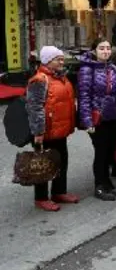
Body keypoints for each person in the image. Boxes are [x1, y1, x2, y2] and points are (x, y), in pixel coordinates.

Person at [26, 46, 78, 211]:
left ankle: (59, 192)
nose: (62, 62)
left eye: (62, 59)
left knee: (61, 161)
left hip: (60, 130)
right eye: (58, 59)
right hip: (45, 132)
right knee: (43, 164)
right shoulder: (39, 80)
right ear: (48, 61)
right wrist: (38, 132)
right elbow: (35, 108)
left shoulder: (62, 78)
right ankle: (41, 197)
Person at [78, 39, 116, 201]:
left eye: (108, 48)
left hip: (114, 116)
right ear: (94, 51)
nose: (105, 51)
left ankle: (107, 182)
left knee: (111, 151)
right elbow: (83, 97)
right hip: (98, 118)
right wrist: (87, 121)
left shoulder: (113, 68)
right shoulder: (87, 69)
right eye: (101, 48)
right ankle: (99, 185)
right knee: (101, 152)